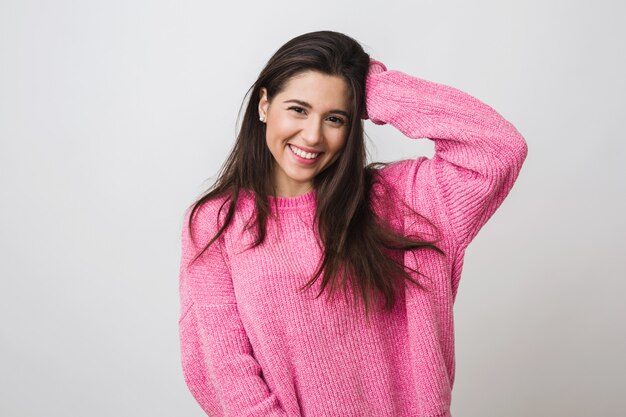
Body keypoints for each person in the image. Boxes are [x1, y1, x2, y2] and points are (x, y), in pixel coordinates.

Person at [177, 30, 528, 417]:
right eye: (298, 109)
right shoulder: (217, 223)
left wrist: (371, 87)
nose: (312, 135)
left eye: (335, 118)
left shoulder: (403, 202)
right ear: (264, 104)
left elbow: (498, 149)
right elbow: (225, 371)